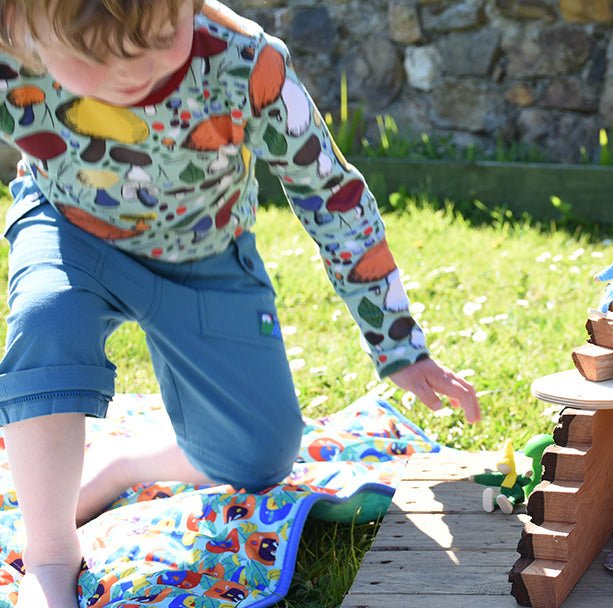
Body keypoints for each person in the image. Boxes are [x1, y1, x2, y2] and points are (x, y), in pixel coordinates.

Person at [0, 1, 480, 605]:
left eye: (162, 36)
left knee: (260, 459)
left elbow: (330, 195)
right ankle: (48, 552)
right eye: (99, 58)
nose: (137, 73)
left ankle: (124, 462)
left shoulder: (246, 62)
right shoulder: (10, 43)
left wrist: (399, 345)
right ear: (26, 27)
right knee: (47, 319)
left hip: (205, 253)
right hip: (68, 227)